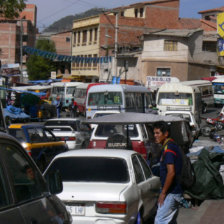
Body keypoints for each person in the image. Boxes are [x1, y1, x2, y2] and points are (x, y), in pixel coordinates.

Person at [153, 121, 183, 224]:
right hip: (174, 191)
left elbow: (171, 173)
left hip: (171, 192)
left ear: (165, 134)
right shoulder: (170, 146)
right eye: (154, 133)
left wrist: (163, 192)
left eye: (157, 133)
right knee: (170, 221)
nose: (155, 136)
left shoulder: (169, 149)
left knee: (160, 220)